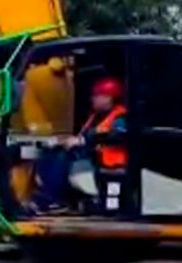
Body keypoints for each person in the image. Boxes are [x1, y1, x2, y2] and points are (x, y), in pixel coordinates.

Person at [32, 76, 129, 212]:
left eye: (97, 96)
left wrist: (83, 140)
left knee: (62, 158)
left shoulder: (120, 117)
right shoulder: (96, 116)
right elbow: (83, 135)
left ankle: (57, 200)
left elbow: (117, 135)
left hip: (109, 161)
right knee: (50, 154)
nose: (93, 99)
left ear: (108, 98)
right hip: (93, 156)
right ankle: (47, 197)